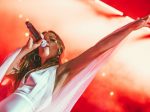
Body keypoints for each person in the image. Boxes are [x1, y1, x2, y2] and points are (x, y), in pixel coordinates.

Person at [0, 11, 149, 112]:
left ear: (58, 50)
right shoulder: (29, 73)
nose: (45, 40)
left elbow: (98, 49)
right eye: (44, 38)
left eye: (51, 40)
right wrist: (25, 50)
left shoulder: (60, 72)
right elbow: (4, 73)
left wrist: (131, 28)